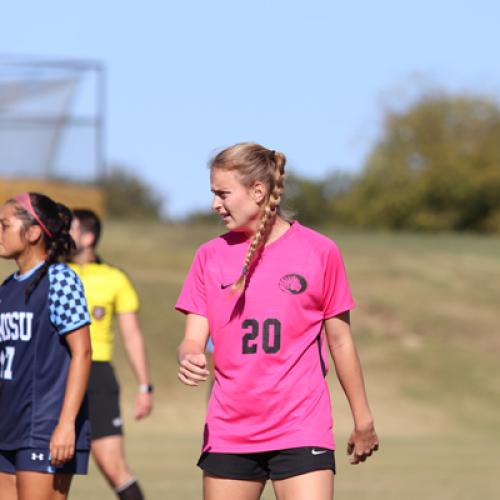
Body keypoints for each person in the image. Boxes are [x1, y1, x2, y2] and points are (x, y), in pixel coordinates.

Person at [176, 143, 379, 500]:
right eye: (213, 194)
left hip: (302, 426)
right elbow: (193, 337)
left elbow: (341, 341)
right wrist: (189, 355)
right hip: (230, 429)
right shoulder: (209, 256)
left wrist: (363, 419)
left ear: (258, 192)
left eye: (223, 193)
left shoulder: (320, 251)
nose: (214, 204)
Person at [0, 192, 92, 500]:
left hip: (44, 429)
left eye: (4, 225)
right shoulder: (8, 288)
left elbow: (82, 353)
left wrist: (66, 425)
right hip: (7, 427)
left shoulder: (60, 279)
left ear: (34, 232)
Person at [69, 209, 153, 500]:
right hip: (58, 372)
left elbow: (132, 335)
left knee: (113, 466)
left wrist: (145, 386)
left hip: (97, 375)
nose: (63, 232)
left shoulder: (114, 279)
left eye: (71, 228)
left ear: (88, 237)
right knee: (44, 466)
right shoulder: (51, 272)